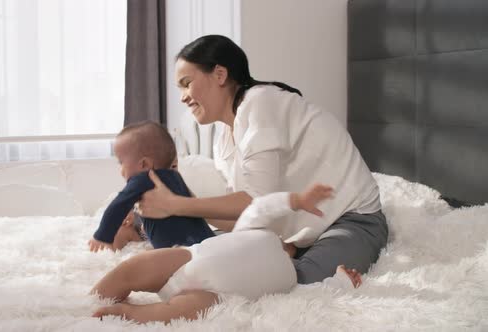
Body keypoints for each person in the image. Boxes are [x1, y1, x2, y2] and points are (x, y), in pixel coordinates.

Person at [136, 35, 389, 284]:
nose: (183, 96)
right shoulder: (223, 138)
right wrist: (181, 207)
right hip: (300, 236)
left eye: (187, 83)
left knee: (291, 284)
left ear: (220, 74)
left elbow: (252, 199)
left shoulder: (261, 102)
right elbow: (247, 214)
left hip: (351, 220)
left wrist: (177, 204)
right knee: (219, 266)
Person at [91, 184, 363, 324]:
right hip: (187, 261)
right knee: (134, 268)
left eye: (296, 249)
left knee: (180, 311)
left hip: (214, 296)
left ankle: (128, 313)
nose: (290, 248)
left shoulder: (293, 278)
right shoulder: (257, 231)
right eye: (291, 243)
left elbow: (316, 295)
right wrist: (295, 201)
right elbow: (261, 208)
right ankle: (93, 297)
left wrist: (341, 281)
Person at [88, 121, 215, 252]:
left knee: (132, 264)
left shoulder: (144, 178)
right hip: (207, 242)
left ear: (144, 164)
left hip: (178, 251)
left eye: (122, 163)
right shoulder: (176, 177)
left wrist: (102, 236)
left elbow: (117, 206)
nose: (121, 170)